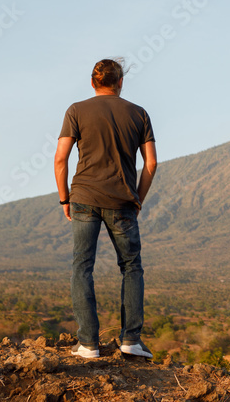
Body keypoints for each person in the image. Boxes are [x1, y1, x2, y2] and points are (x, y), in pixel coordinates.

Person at [53, 58, 157, 359]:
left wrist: (65, 198)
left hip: (84, 197)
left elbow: (60, 159)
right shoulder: (139, 114)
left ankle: (88, 344)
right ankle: (131, 341)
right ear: (120, 82)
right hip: (122, 201)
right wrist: (138, 198)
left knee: (82, 266)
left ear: (92, 82)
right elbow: (150, 163)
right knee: (131, 266)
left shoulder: (76, 110)